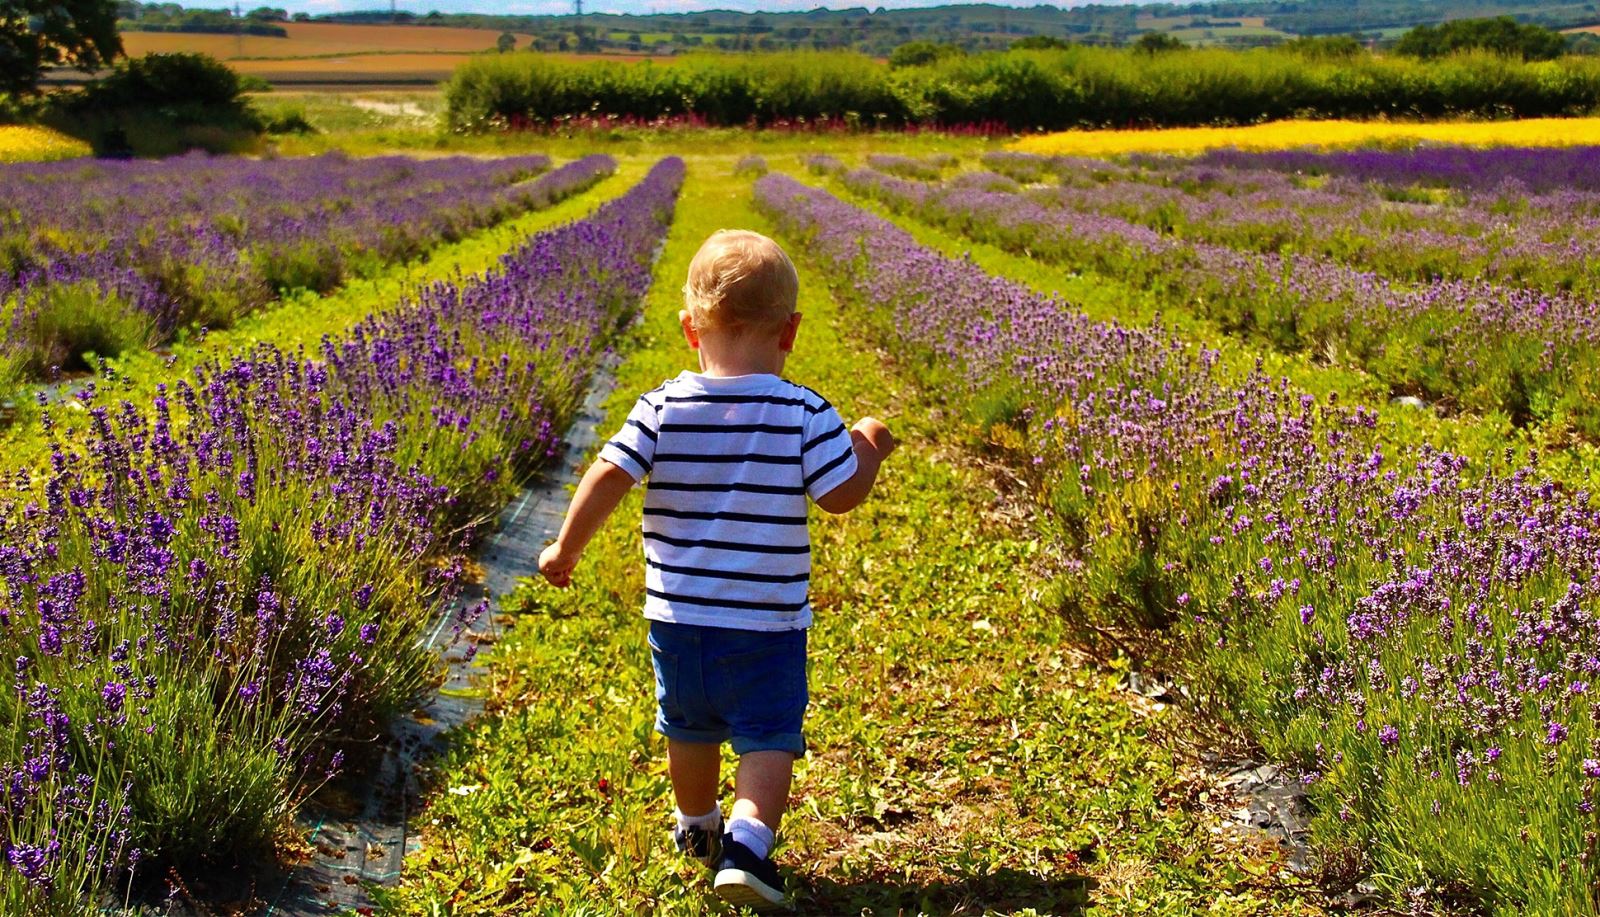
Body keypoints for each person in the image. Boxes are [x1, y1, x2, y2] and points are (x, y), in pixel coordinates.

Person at [538, 229, 896, 909]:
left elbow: (609, 473)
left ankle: (697, 825)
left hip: (678, 619)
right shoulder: (805, 411)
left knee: (689, 726)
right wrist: (869, 448)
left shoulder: (662, 405)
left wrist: (567, 547)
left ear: (687, 329)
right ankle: (748, 843)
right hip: (766, 622)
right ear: (790, 332)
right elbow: (839, 494)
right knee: (768, 735)